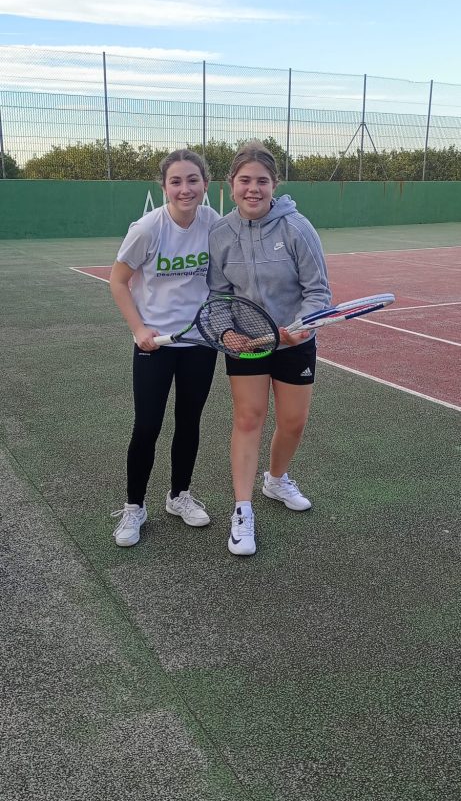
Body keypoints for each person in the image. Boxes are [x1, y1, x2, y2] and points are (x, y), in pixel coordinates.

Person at [207, 141, 331, 556]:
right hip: (245, 343)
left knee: (293, 422)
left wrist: (301, 327)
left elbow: (318, 292)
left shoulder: (297, 228)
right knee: (248, 418)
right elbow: (218, 294)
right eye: (245, 180)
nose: (253, 189)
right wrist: (226, 333)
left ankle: (276, 480)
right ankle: (242, 510)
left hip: (294, 341)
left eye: (262, 181)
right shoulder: (220, 234)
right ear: (231, 184)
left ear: (274, 184)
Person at [109, 149, 220, 547]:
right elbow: (118, 281)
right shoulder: (147, 228)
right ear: (164, 187)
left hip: (199, 342)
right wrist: (139, 328)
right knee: (147, 426)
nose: (185, 189)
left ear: (205, 184)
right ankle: (134, 507)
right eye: (176, 181)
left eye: (192, 180)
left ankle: (179, 496)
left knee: (189, 421)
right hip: (155, 344)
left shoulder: (214, 223)